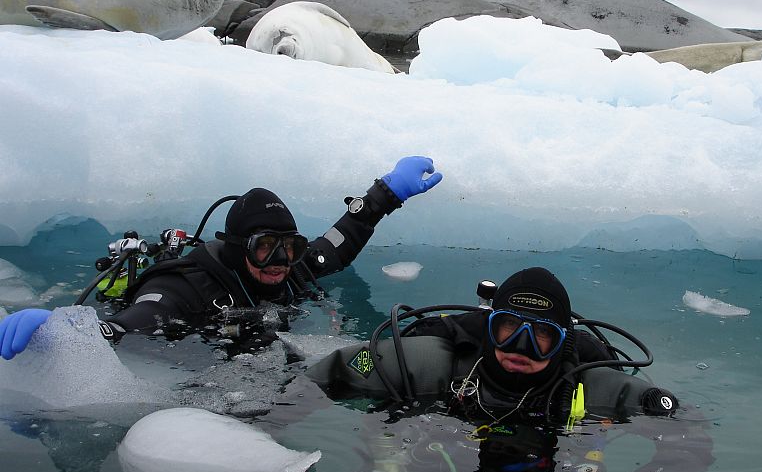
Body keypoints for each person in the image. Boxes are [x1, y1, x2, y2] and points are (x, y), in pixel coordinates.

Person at [307, 266, 714, 472]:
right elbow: (329, 373)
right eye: (508, 329)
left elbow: (679, 418)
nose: (521, 347)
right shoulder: (439, 364)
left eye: (541, 335)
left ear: (562, 343)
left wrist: (681, 462)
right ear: (488, 329)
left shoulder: (586, 386)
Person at [0, 155, 442, 357]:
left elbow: (337, 244)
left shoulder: (287, 273)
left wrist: (384, 194)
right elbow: (131, 325)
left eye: (290, 248)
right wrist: (68, 328)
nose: (280, 261)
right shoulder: (183, 287)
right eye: (265, 247)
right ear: (237, 249)